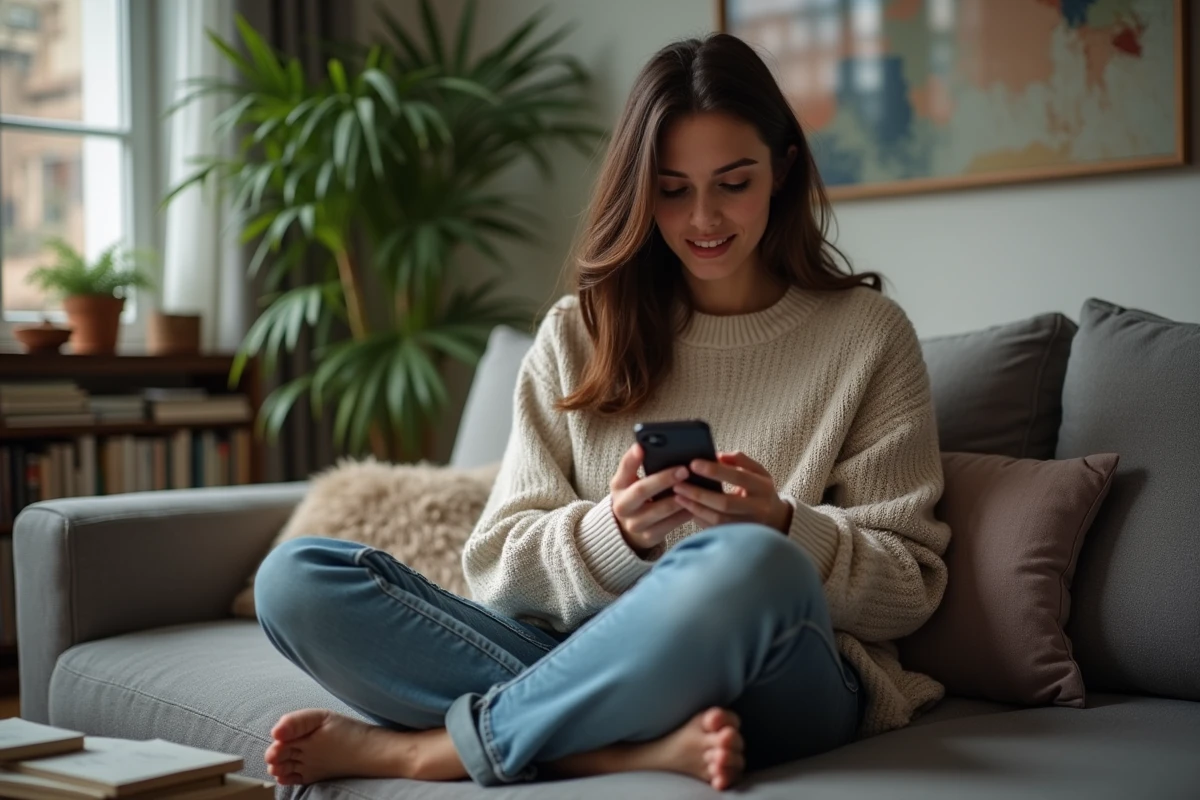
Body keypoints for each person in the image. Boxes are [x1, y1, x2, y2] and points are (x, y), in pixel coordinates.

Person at [253, 32, 950, 792]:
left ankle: (446, 750)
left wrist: (783, 526)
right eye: (673, 188)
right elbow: (494, 570)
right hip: (585, 654)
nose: (704, 217)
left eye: (733, 182)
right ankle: (618, 747)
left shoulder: (867, 335)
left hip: (781, 683)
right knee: (295, 578)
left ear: (783, 170)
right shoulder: (575, 332)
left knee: (749, 563)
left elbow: (910, 585)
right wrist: (611, 534)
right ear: (639, 189)